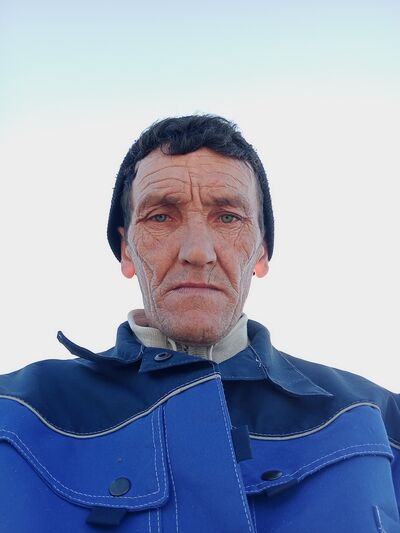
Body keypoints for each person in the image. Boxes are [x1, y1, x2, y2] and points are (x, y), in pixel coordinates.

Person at [0, 115, 399, 533]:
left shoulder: (380, 420)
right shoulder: (14, 413)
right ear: (127, 251)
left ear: (261, 253)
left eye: (228, 218)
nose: (198, 252)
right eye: (160, 217)